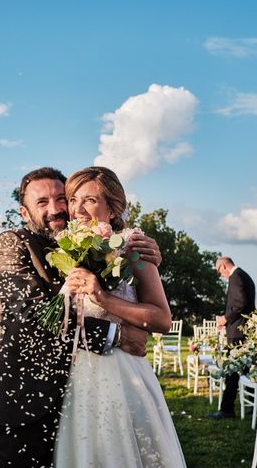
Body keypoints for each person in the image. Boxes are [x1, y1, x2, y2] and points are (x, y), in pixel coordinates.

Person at [0, 167, 160, 467]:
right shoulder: (12, 243)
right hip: (24, 401)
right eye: (42, 202)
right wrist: (117, 335)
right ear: (24, 211)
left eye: (61, 199)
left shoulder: (83, 242)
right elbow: (31, 315)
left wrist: (144, 257)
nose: (56, 209)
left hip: (77, 397)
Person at [53, 166, 185, 467]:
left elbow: (162, 319)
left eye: (89, 200)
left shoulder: (133, 249)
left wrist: (103, 297)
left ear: (113, 208)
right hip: (78, 379)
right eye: (73, 200)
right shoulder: (67, 249)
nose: (78, 209)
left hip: (121, 374)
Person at [210, 256, 256, 419]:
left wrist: (225, 318)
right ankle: (253, 406)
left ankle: (227, 409)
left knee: (232, 369)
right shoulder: (244, 275)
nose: (221, 275)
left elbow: (240, 304)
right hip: (245, 330)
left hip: (237, 331)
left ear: (223, 266)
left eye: (218, 271)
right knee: (246, 369)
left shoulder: (236, 277)